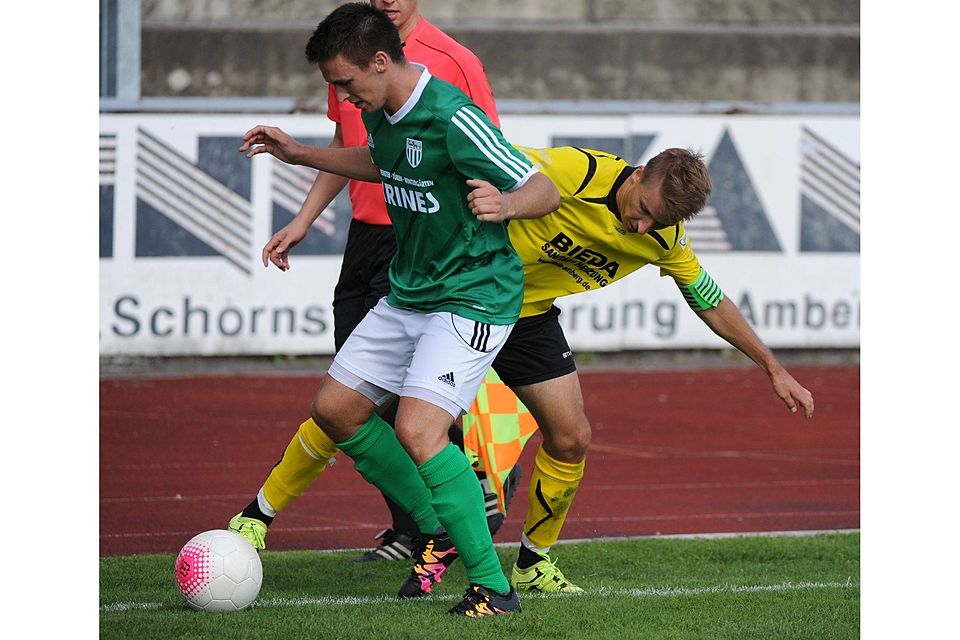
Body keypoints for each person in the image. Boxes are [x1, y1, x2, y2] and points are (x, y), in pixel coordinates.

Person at [232, 141, 816, 596]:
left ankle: (535, 562)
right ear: (636, 174)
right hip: (464, 296)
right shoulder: (569, 171)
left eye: (654, 225)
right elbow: (472, 168)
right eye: (641, 212)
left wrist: (772, 367)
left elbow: (709, 298)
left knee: (573, 435)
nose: (641, 229)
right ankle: (260, 514)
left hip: (527, 317)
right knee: (354, 406)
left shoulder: (664, 237)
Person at [237, 2, 560, 616]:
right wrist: (301, 153)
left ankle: (493, 587)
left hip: (473, 295)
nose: (339, 95)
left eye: (344, 82)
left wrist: (509, 205)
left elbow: (543, 185)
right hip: (410, 290)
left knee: (417, 428)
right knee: (335, 410)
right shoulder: (383, 108)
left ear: (380, 61)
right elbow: (381, 162)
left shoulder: (452, 116)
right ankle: (437, 524)